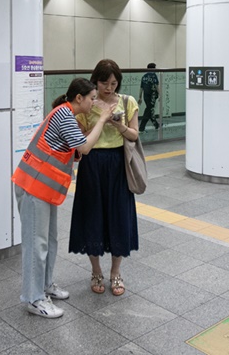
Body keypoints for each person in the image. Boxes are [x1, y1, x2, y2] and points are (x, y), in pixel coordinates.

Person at [12, 77, 115, 319]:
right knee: (36, 245)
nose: (93, 103)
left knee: (49, 240)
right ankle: (34, 298)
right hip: (32, 188)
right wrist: (101, 119)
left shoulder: (67, 115)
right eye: (91, 99)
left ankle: (45, 285)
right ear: (79, 98)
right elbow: (85, 147)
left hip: (44, 189)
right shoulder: (64, 115)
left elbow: (72, 148)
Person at [69, 59, 140, 296]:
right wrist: (100, 122)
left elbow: (134, 135)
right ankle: (96, 271)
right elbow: (81, 141)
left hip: (119, 164)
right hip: (92, 164)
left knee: (119, 216)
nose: (109, 88)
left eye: (113, 83)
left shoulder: (128, 102)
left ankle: (115, 273)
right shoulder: (88, 103)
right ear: (95, 81)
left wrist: (118, 125)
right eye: (103, 83)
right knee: (92, 216)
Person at [138, 62, 160, 132]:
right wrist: (160, 94)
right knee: (148, 111)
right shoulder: (154, 75)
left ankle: (156, 125)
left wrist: (140, 97)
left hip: (145, 96)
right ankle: (141, 128)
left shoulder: (144, 76)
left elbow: (141, 88)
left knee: (149, 110)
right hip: (152, 96)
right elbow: (156, 86)